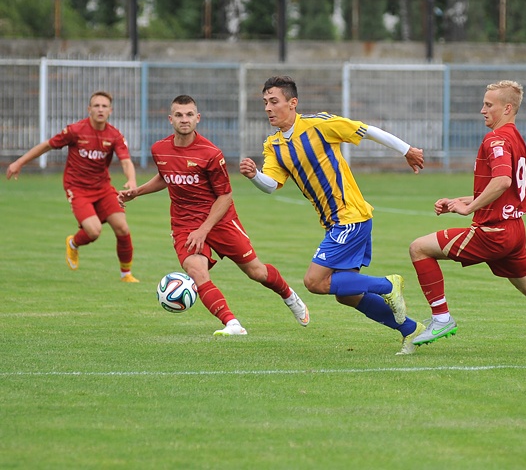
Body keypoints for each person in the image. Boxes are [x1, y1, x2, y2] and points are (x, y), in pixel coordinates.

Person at [238, 76, 426, 355]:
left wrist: (406, 150)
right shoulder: (274, 145)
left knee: (314, 282)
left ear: (292, 103)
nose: (268, 108)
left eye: (274, 101)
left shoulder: (319, 124)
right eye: (265, 102)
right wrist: (255, 176)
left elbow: (367, 130)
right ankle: (411, 330)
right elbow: (271, 185)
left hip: (350, 216)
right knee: (347, 295)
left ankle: (388, 284)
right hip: (335, 223)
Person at [408, 80, 526, 354]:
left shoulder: (495, 139)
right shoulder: (515, 137)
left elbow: (503, 181)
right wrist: (461, 200)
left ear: (507, 108)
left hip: (493, 232)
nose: (482, 110)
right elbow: (505, 189)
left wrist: (469, 210)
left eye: (488, 105)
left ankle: (441, 318)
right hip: (515, 229)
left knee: (419, 248)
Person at [119, 95, 309, 336]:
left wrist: (204, 230)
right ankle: (232, 323)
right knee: (197, 272)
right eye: (179, 115)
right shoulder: (159, 149)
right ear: (170, 119)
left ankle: (289, 296)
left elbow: (225, 196)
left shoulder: (210, 153)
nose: (184, 119)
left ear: (197, 118)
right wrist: (137, 192)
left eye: (189, 115)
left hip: (221, 220)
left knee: (256, 272)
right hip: (184, 224)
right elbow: (165, 176)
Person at [6, 91, 139, 282]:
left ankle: (126, 275)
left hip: (102, 187)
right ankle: (74, 243)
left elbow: (126, 161)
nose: (100, 109)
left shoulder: (114, 135)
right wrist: (19, 162)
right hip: (77, 188)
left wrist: (132, 180)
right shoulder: (76, 131)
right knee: (93, 231)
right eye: (96, 105)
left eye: (104, 106)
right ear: (89, 109)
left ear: (110, 110)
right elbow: (47, 146)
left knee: (122, 228)